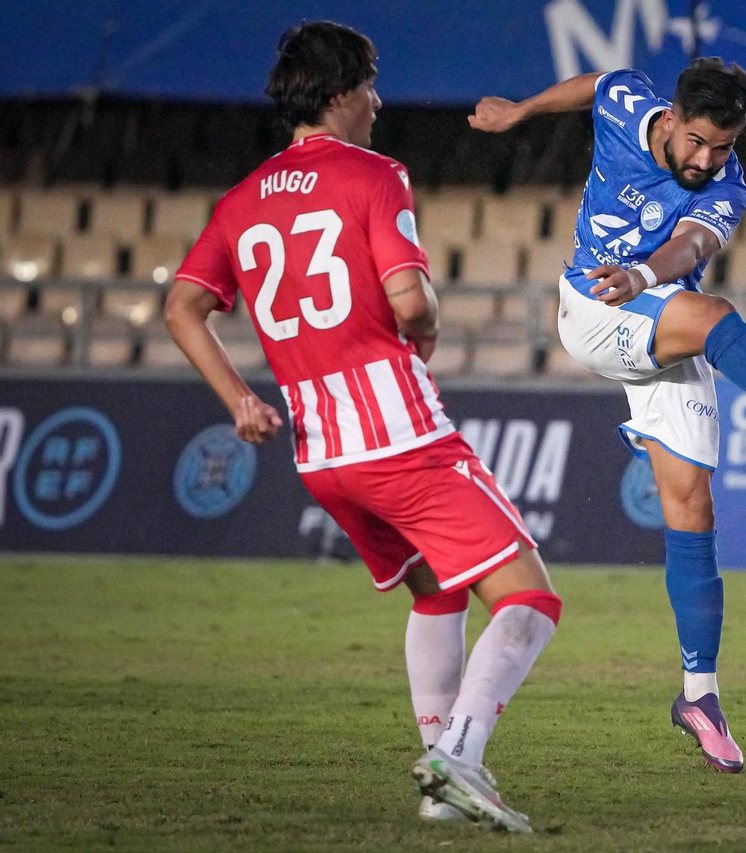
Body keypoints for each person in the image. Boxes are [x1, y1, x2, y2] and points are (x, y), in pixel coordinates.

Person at [469, 59, 746, 773]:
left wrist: (646, 273)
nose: (708, 160)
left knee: (692, 508)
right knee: (713, 314)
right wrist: (520, 110)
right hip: (593, 307)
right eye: (699, 142)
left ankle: (698, 697)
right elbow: (597, 84)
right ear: (673, 116)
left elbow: (694, 245)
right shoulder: (627, 105)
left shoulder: (727, 184)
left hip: (655, 313)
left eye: (724, 145)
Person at [164, 22, 558, 832]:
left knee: (436, 588)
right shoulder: (374, 175)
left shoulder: (240, 201)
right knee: (529, 597)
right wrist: (429, 322)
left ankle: (439, 789)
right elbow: (410, 299)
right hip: (399, 434)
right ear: (340, 92)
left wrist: (240, 400)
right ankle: (459, 757)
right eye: (371, 85)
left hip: (323, 453)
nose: (378, 102)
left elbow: (180, 307)